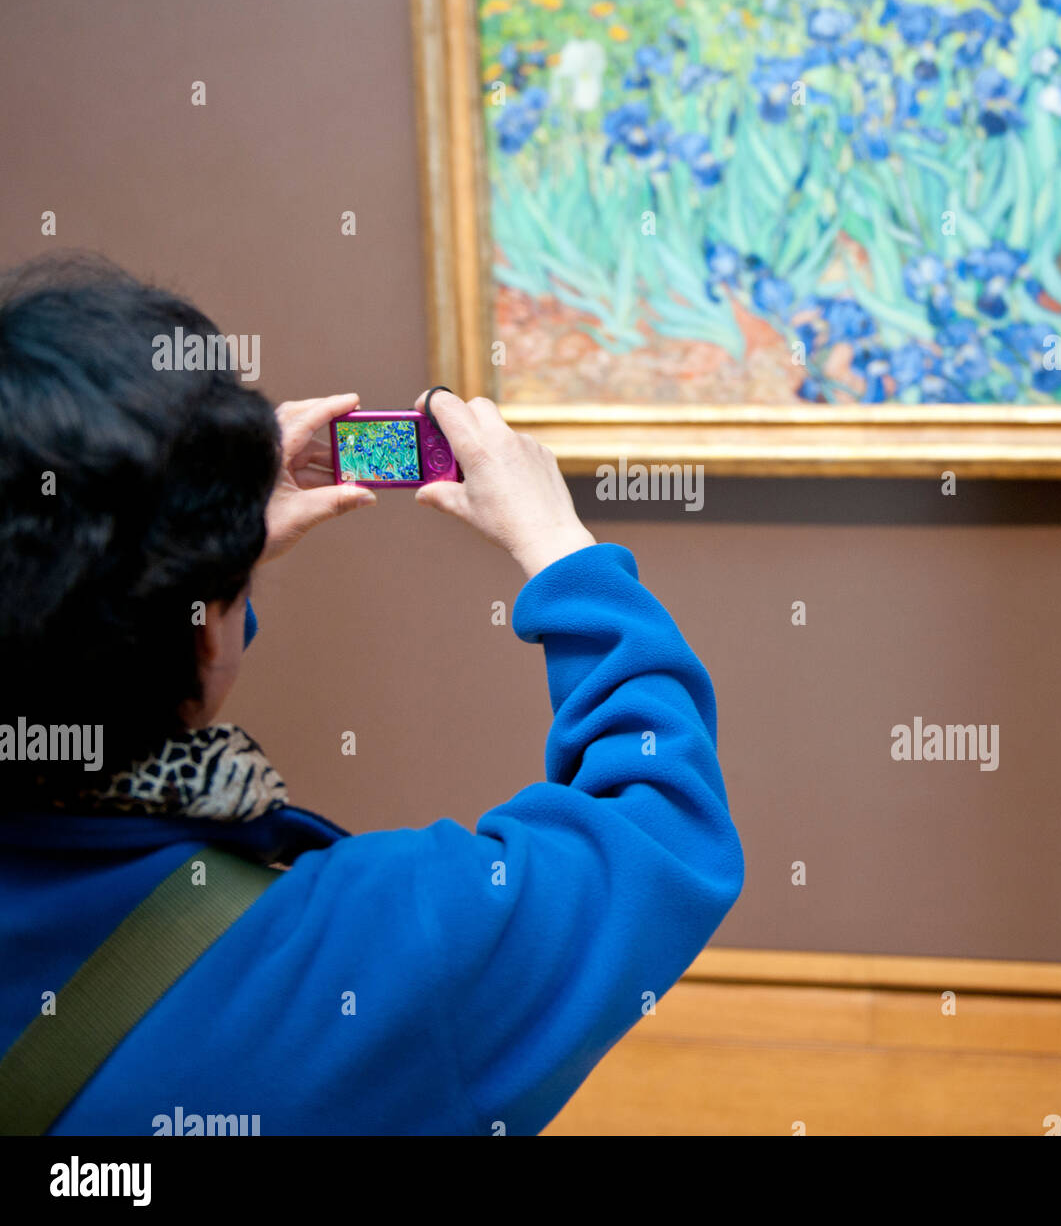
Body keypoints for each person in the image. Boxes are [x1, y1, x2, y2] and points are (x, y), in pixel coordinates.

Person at [0, 252, 743, 1135]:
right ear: (203, 631)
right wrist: (565, 557)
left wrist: (197, 574)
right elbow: (660, 834)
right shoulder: (375, 953)